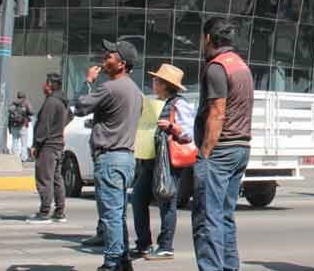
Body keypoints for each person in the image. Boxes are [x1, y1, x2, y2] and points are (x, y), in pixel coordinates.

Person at [192, 17, 255, 271]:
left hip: (221, 150)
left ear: (208, 38)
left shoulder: (216, 67)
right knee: (225, 217)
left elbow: (217, 113)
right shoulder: (241, 65)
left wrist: (205, 153)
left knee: (207, 219)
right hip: (240, 148)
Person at [75, 39, 144, 271]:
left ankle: (113, 262)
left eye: (110, 56)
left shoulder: (111, 87)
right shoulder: (135, 90)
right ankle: (122, 260)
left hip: (110, 157)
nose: (105, 58)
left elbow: (80, 106)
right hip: (125, 158)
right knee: (117, 213)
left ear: (122, 63)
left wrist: (88, 82)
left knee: (111, 215)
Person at [130, 63, 195, 261]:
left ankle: (166, 245)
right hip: (152, 158)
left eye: (157, 80)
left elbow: (188, 133)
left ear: (165, 85)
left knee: (167, 200)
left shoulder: (179, 104)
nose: (153, 82)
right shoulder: (155, 103)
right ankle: (144, 243)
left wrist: (171, 127)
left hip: (168, 161)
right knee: (138, 198)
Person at [27, 73, 71, 224]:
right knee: (57, 178)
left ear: (50, 85)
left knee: (44, 178)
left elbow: (43, 126)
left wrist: (36, 145)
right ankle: (59, 212)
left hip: (49, 145)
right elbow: (69, 116)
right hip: (58, 144)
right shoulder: (62, 101)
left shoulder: (51, 102)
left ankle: (44, 211)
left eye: (45, 83)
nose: (43, 86)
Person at [8, 91, 34, 162]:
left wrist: (9, 128)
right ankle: (23, 157)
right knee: (24, 143)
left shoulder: (13, 103)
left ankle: (14, 157)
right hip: (23, 125)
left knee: (14, 141)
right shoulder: (26, 102)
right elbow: (32, 112)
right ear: (24, 96)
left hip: (13, 125)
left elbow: (9, 113)